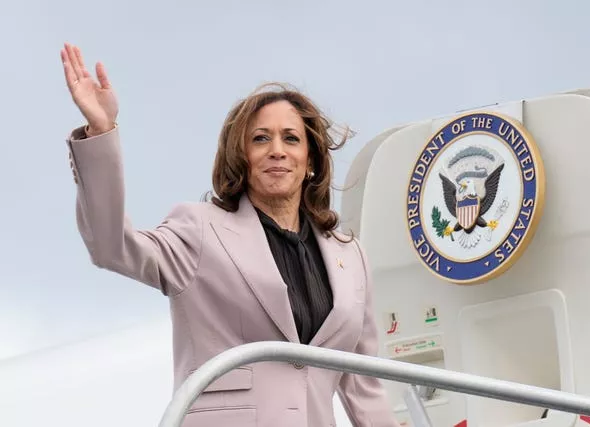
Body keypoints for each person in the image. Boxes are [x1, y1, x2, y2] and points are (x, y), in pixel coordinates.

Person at [60, 42, 399, 427]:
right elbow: (112, 248)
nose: (276, 150)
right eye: (260, 139)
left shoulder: (350, 255)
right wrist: (101, 132)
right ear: (240, 155)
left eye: (291, 138)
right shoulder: (200, 229)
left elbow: (365, 386)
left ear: (311, 161)